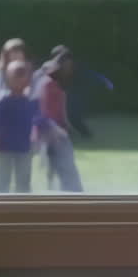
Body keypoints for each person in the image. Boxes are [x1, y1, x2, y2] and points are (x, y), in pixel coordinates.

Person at [0, 60, 58, 193]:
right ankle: (8, 207)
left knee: (14, 182)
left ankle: (13, 209)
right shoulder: (8, 102)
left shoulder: (24, 102)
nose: (20, 80)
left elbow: (40, 120)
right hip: (11, 148)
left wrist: (49, 133)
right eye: (18, 75)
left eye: (22, 75)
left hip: (17, 148)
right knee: (11, 182)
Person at [37, 52, 85, 192]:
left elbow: (59, 110)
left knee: (55, 167)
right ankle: (73, 196)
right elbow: (44, 111)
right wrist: (57, 129)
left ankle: (55, 193)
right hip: (53, 133)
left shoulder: (52, 85)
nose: (69, 68)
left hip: (52, 131)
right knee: (66, 169)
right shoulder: (48, 85)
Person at [0, 38, 28, 102]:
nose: (18, 55)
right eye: (14, 52)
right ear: (7, 54)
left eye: (20, 52)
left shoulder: (27, 68)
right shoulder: (2, 69)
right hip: (7, 103)